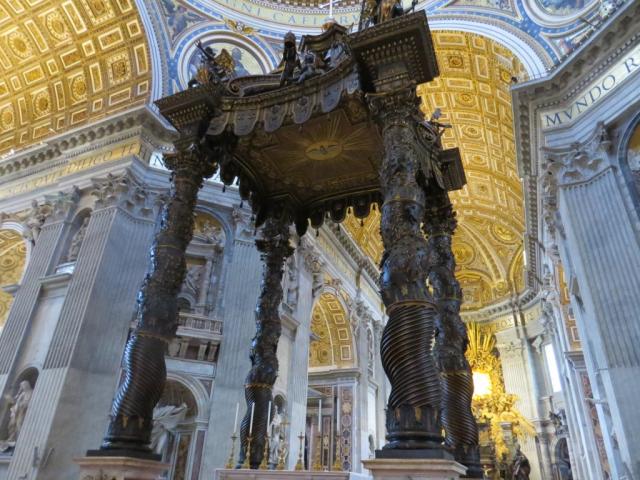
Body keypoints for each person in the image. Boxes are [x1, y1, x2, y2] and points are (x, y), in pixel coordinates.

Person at [0, 381, 33, 452]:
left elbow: (28, 403)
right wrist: (13, 400)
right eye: (21, 386)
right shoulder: (22, 394)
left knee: (19, 424)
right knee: (11, 425)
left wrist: (20, 404)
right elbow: (16, 401)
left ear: (27, 385)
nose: (22, 387)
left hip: (23, 412)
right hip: (16, 412)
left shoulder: (31, 392)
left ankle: (20, 438)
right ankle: (12, 438)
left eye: (23, 386)